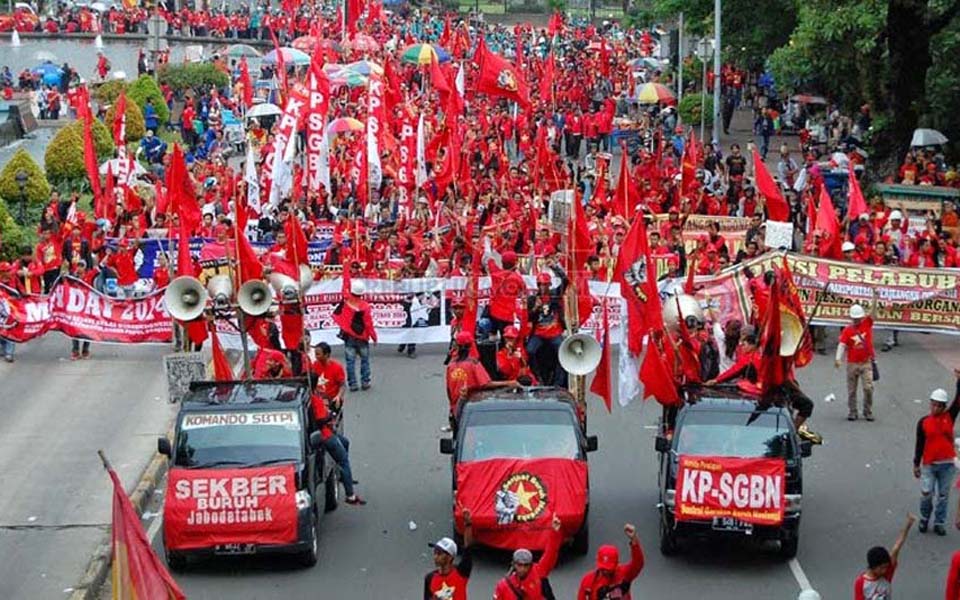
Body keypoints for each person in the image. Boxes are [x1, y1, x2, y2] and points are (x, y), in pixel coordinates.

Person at [913, 373, 960, 535]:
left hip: (947, 465)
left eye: (939, 406)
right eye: (933, 405)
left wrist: (959, 381)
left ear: (944, 406)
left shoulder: (950, 417)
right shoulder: (923, 422)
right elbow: (919, 444)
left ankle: (939, 522)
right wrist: (915, 464)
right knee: (927, 494)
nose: (935, 408)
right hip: (929, 465)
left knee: (943, 496)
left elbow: (958, 400)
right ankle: (924, 519)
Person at [445, 331, 516, 430]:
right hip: (470, 409)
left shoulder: (451, 365)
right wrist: (509, 383)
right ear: (470, 345)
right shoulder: (473, 364)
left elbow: (448, 390)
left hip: (455, 409)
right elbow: (486, 384)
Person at [309, 390, 366, 506]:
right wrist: (329, 416)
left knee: (345, 443)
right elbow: (320, 420)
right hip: (325, 435)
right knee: (344, 461)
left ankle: (344, 477)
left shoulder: (312, 397)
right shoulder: (315, 399)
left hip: (328, 432)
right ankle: (350, 495)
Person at [493, 514, 563, 600]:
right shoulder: (503, 586)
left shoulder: (538, 572)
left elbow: (551, 553)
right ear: (514, 564)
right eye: (520, 565)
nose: (522, 569)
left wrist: (554, 532)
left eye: (526, 565)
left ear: (530, 565)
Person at [853, 514, 916, 600]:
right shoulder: (860, 583)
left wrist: (908, 525)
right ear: (873, 566)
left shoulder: (887, 574)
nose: (885, 570)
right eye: (881, 568)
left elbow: (896, 547)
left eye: (886, 567)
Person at [835, 295, 877, 421]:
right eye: (855, 318)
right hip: (852, 363)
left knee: (868, 388)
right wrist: (838, 358)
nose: (857, 320)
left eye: (859, 318)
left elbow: (873, 312)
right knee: (852, 390)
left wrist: (875, 297)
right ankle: (852, 411)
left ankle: (867, 411)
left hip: (866, 362)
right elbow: (842, 344)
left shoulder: (867, 323)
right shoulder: (847, 330)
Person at [576, 523, 645, 600]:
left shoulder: (624, 574)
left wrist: (634, 540)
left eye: (608, 568)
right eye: (603, 568)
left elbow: (638, 563)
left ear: (616, 563)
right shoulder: (588, 582)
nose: (605, 571)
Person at [525, 265, 568, 386]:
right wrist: (534, 309)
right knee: (529, 351)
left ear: (549, 285)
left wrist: (554, 267)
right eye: (540, 284)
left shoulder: (555, 295)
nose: (542, 287)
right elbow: (528, 317)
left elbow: (565, 281)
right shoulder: (533, 299)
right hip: (538, 333)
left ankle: (558, 383)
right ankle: (537, 378)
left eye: (545, 285)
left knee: (563, 354)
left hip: (555, 332)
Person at [333, 279, 377, 391]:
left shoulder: (346, 301)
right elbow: (368, 323)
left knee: (350, 361)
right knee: (364, 360)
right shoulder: (365, 306)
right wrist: (374, 336)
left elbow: (345, 284)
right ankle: (365, 382)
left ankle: (352, 384)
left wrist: (346, 264)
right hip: (362, 338)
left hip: (349, 337)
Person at [423, 510, 474, 600]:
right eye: (435, 552)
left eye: (439, 553)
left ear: (450, 557)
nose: (435, 556)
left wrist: (468, 525)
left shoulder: (461, 572)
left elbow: (468, 548)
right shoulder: (429, 578)